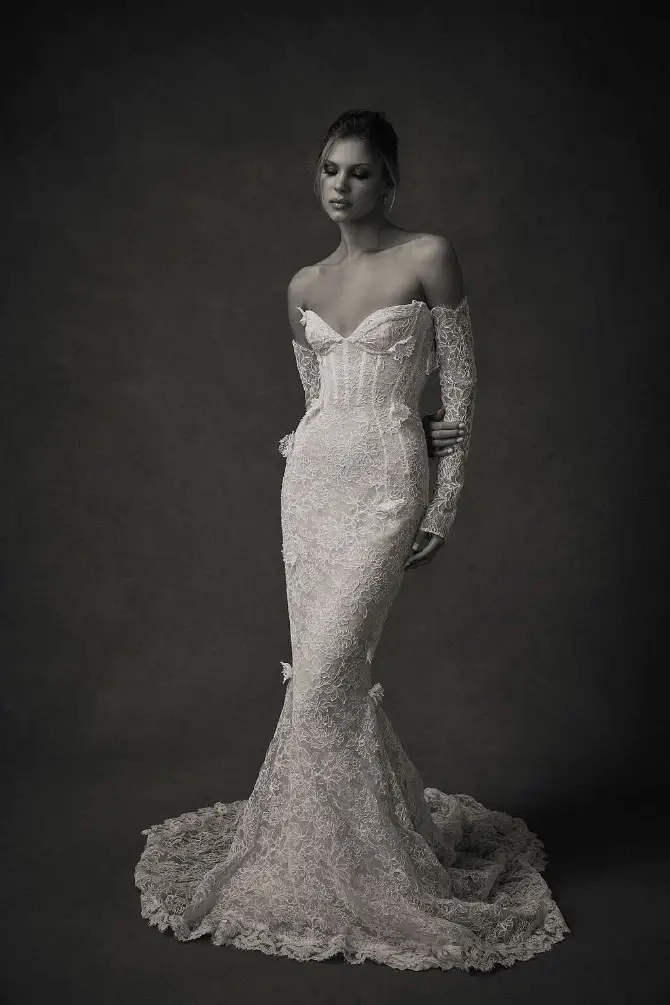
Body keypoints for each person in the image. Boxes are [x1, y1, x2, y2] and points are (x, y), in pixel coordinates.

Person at [134, 109, 570, 971]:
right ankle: (321, 857)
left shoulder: (428, 255)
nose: (342, 184)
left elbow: (465, 381)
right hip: (311, 492)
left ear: (390, 180)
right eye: (330, 169)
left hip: (384, 486)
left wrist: (441, 495)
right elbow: (318, 397)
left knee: (331, 669)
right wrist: (310, 440)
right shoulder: (301, 285)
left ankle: (378, 869)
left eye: (361, 171)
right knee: (322, 676)